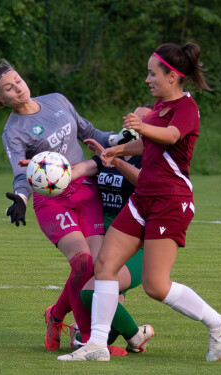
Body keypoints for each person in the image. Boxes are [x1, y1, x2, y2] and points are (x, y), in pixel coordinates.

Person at [58, 43, 221, 362]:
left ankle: (218, 323)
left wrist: (141, 126)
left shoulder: (185, 107)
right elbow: (148, 144)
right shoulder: (158, 105)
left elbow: (168, 136)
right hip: (143, 199)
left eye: (152, 73)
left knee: (156, 285)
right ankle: (97, 345)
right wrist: (116, 152)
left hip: (171, 200)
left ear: (172, 76)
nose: (147, 79)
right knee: (105, 265)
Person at [0, 62, 121, 351]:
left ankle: (55, 315)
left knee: (100, 266)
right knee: (82, 262)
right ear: (0, 100)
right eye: (9, 88)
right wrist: (20, 198)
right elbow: (21, 174)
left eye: (17, 80)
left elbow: (90, 132)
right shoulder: (13, 131)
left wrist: (122, 140)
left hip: (87, 191)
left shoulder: (57, 100)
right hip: (52, 201)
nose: (18, 87)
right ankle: (85, 340)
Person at [68, 105, 155, 354]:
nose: (131, 120)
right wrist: (47, 168)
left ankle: (136, 336)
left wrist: (116, 161)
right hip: (103, 237)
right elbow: (83, 169)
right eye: (131, 115)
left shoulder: (149, 156)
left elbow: (145, 181)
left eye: (141, 118)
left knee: (90, 293)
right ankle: (93, 333)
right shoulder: (109, 152)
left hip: (135, 243)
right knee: (98, 294)